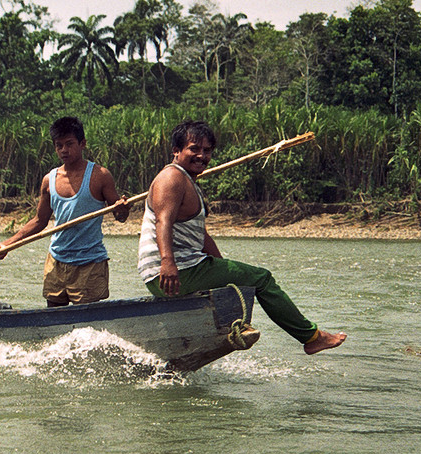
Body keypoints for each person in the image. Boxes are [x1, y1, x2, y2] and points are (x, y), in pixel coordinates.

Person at [138, 120, 346, 355]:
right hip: (173, 272)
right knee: (262, 278)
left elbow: (202, 237)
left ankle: (226, 326)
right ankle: (310, 337)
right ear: (176, 150)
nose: (201, 156)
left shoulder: (187, 181)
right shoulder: (172, 178)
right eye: (194, 149)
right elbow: (162, 222)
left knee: (239, 277)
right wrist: (168, 262)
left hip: (180, 269)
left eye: (207, 151)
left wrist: (224, 270)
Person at [0, 116, 130, 307]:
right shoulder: (49, 180)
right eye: (59, 145)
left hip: (89, 263)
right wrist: (7, 245)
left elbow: (120, 216)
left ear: (82, 144)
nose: (64, 150)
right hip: (57, 260)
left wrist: (123, 208)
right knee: (54, 317)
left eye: (69, 144)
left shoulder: (100, 176)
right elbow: (39, 221)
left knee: (86, 325)